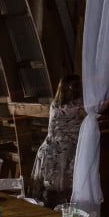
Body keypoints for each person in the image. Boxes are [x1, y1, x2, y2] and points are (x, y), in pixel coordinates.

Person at [31, 76, 85, 206]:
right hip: (63, 153)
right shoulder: (78, 106)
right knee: (61, 194)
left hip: (47, 150)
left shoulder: (54, 104)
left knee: (46, 194)